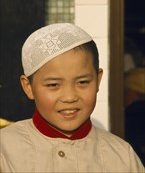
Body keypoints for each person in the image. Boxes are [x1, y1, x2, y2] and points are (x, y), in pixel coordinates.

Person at [0, 23, 144, 172]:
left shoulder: (122, 157)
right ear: (28, 87)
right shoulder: (5, 151)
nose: (69, 97)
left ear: (98, 80)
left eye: (82, 82)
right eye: (53, 85)